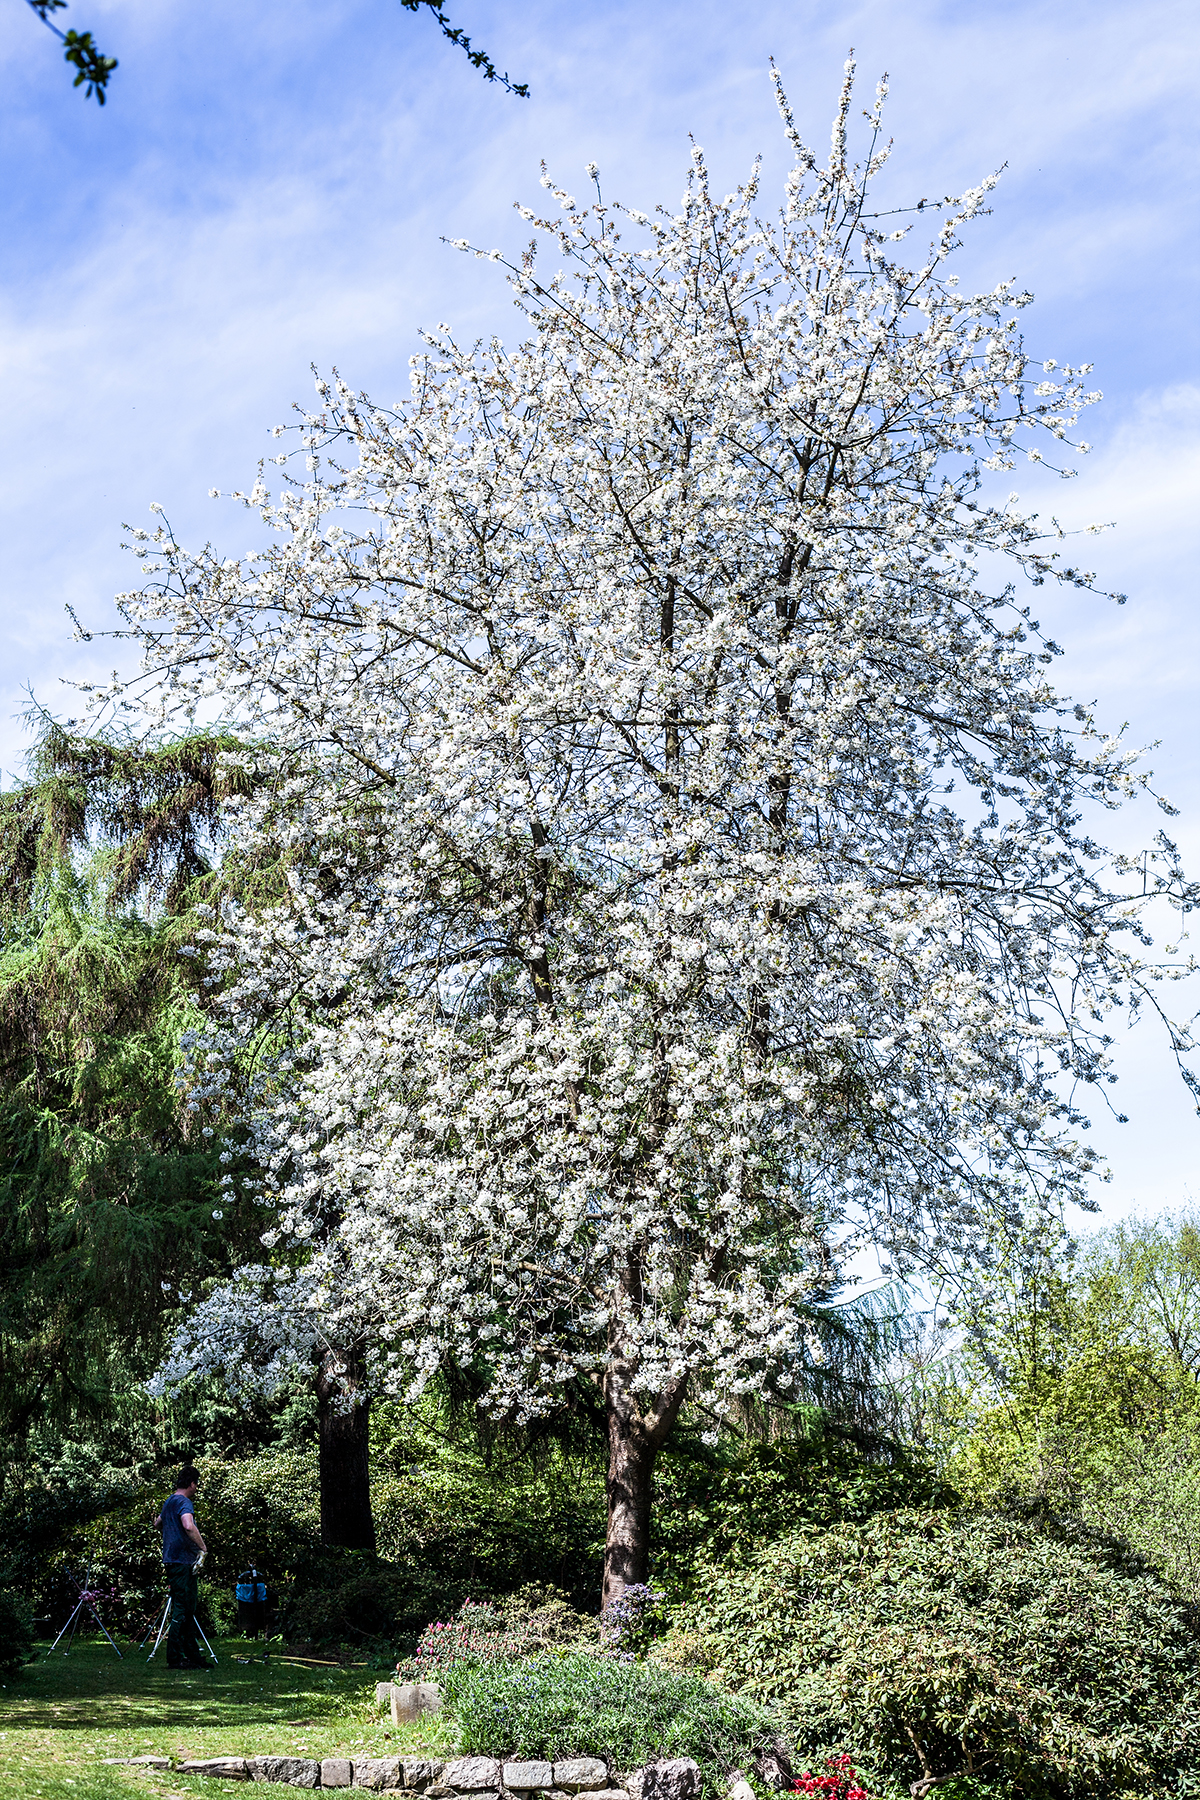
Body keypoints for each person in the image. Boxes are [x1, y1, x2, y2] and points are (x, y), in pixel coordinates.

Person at [154, 1465, 210, 1670]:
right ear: (192, 1483)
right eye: (196, 1485)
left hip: (170, 1559)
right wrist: (202, 1547)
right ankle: (175, 1657)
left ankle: (192, 1655)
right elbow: (188, 1525)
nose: (196, 1489)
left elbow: (157, 1524)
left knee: (186, 1608)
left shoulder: (169, 1501)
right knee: (182, 1609)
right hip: (183, 1562)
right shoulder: (184, 1502)